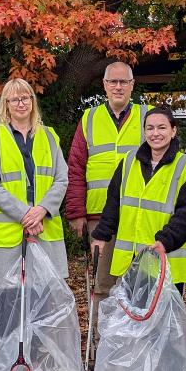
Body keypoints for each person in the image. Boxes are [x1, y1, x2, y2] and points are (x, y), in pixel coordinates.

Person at [0, 77, 69, 371]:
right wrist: (25, 214)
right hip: (7, 235)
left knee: (41, 301)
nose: (21, 104)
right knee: (6, 304)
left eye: (26, 98)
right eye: (14, 99)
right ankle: (4, 364)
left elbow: (61, 178)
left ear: (32, 101)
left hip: (44, 232)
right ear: (5, 104)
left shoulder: (50, 136)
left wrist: (41, 210)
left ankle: (36, 363)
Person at [90, 106, 186, 289]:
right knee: (129, 317)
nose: (155, 133)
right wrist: (101, 235)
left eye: (162, 127)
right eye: (150, 128)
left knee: (162, 318)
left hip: (165, 258)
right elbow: (113, 203)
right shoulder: (128, 161)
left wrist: (165, 241)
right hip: (129, 260)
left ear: (173, 131)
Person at [65, 62, 150, 296]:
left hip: (138, 215)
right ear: (104, 85)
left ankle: (134, 332)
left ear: (132, 86)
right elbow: (76, 168)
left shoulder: (147, 117)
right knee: (102, 284)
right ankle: (104, 333)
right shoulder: (89, 118)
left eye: (124, 82)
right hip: (98, 217)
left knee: (137, 284)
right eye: (113, 81)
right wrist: (76, 213)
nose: (118, 87)